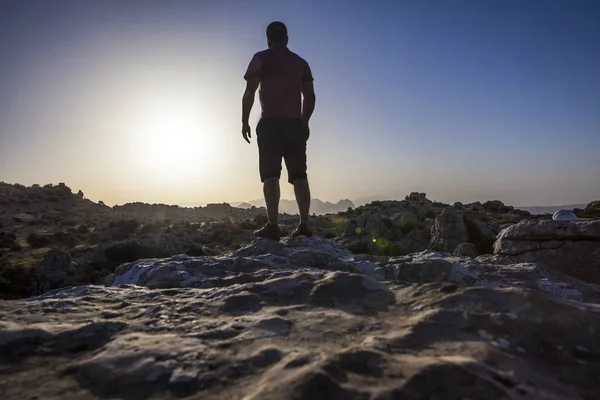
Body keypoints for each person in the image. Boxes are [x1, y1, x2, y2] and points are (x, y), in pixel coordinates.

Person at [241, 21, 316, 241]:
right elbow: (310, 97)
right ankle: (304, 225)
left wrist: (244, 121)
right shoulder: (300, 63)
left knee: (271, 174)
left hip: (270, 123)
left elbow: (250, 91)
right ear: (287, 38)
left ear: (268, 39)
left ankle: (273, 226)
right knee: (299, 174)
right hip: (294, 123)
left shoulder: (261, 58)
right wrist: (305, 121)